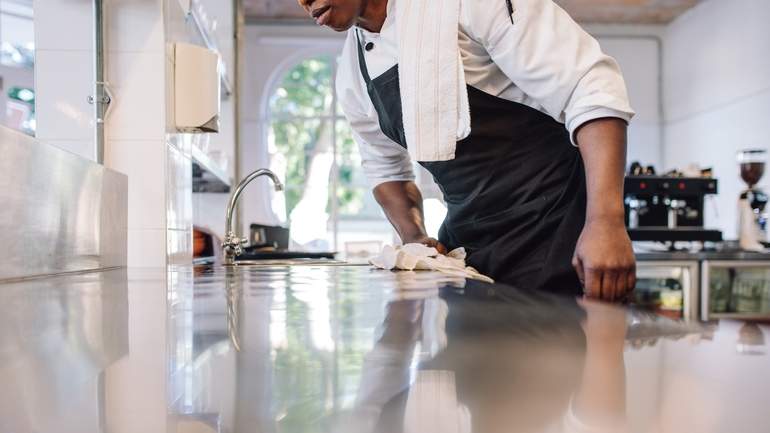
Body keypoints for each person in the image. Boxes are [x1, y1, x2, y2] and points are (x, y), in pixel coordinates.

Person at [296, 0, 636, 301]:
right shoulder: (352, 73)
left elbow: (591, 89)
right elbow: (385, 170)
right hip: (468, 251)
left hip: (557, 231)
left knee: (562, 368)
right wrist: (416, 239)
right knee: (472, 370)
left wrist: (605, 222)